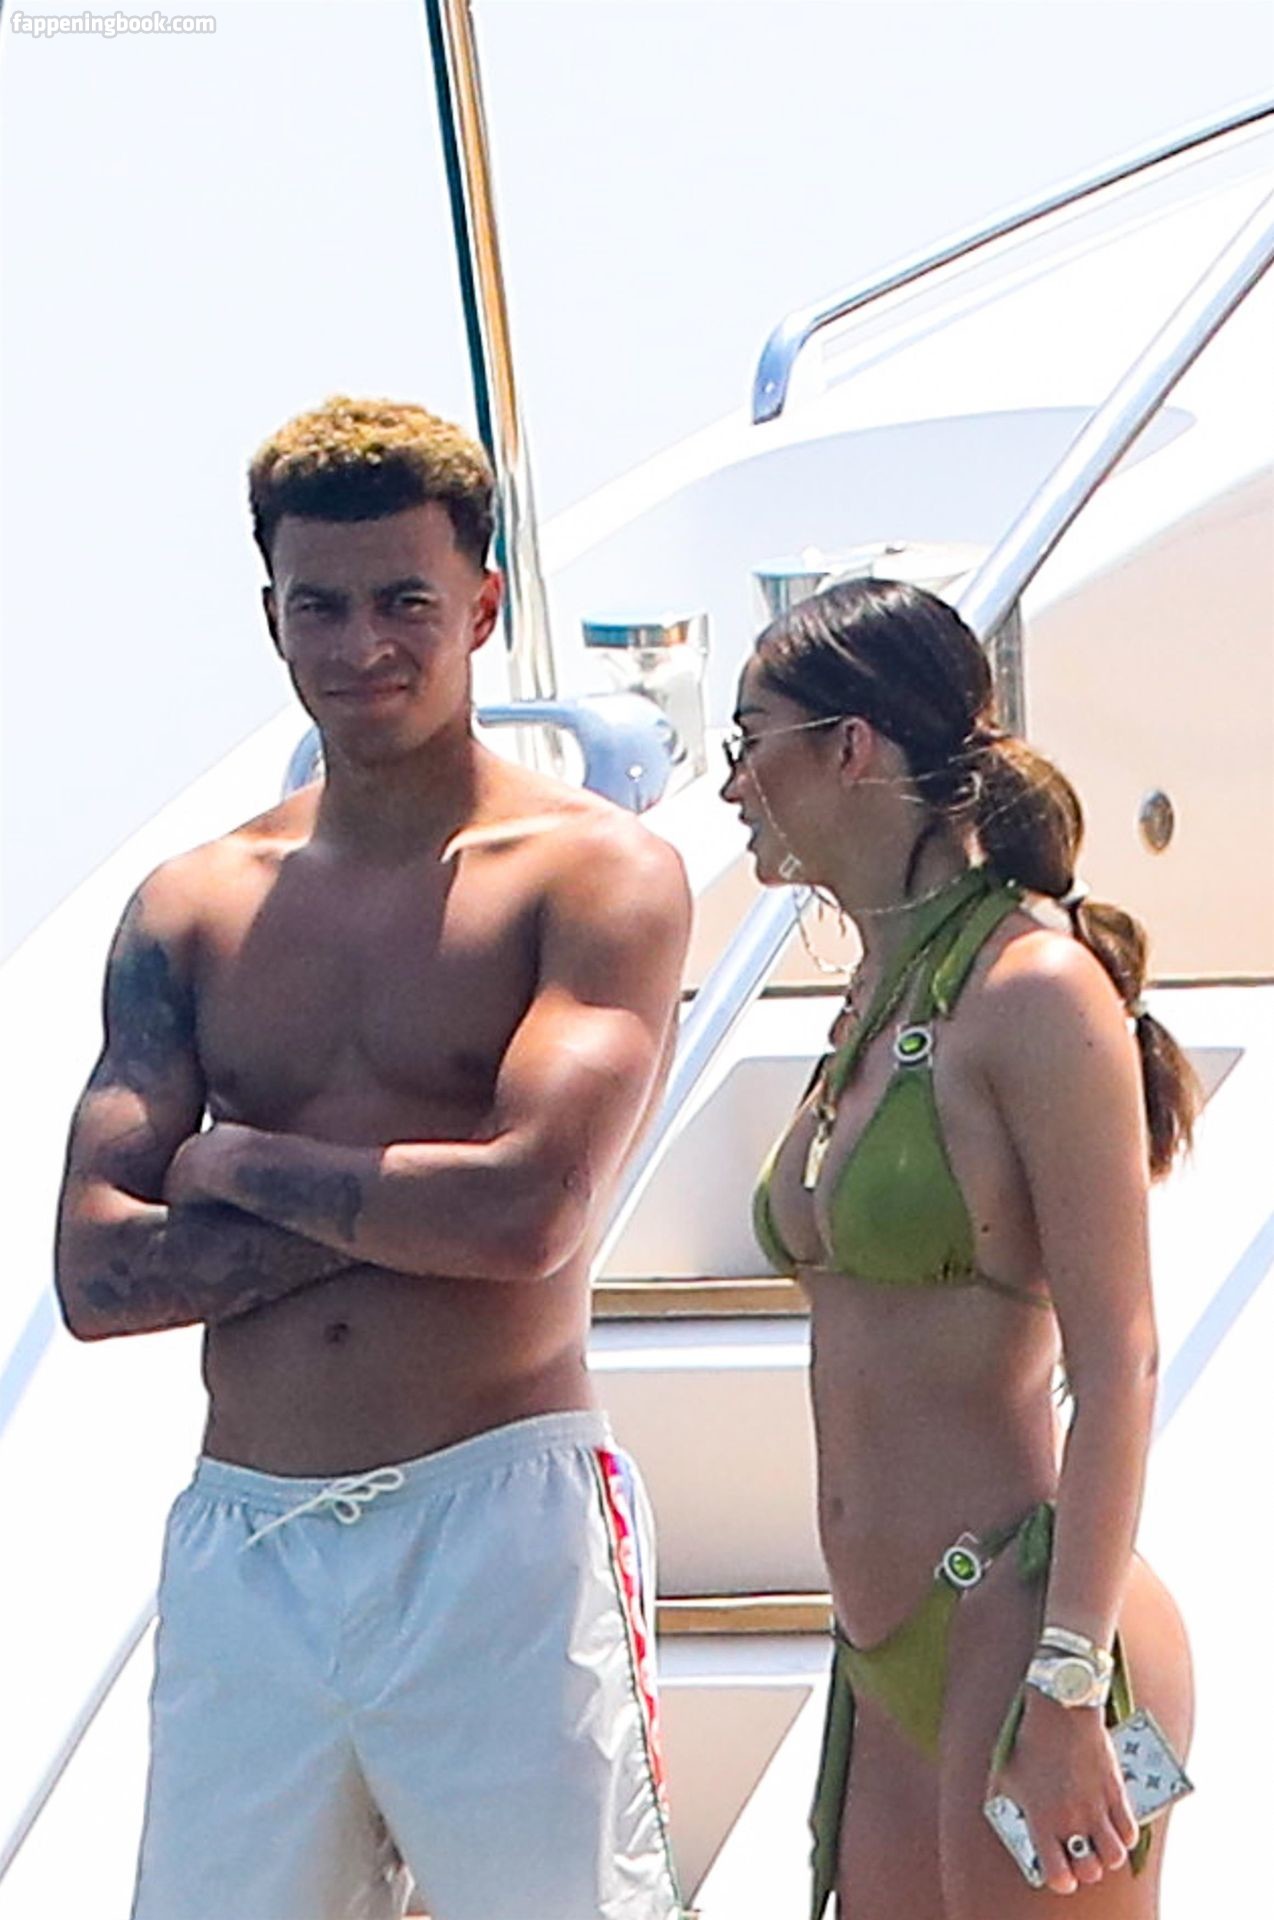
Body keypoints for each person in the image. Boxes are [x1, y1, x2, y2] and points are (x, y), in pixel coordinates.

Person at [54, 396, 692, 1920]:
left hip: (497, 1522)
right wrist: (414, 1205)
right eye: (319, 606)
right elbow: (97, 1272)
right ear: (270, 615)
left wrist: (237, 1164)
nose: (361, 646)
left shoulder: (594, 876)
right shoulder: (192, 905)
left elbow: (526, 1214)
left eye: (405, 601)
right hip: (251, 1534)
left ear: (482, 604)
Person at [721, 576, 1196, 1918]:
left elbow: (1120, 1358)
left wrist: (1068, 1678)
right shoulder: (880, 992)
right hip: (886, 1643)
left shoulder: (1032, 988)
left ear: (850, 747)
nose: (732, 787)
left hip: (1031, 1632)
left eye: (748, 742)